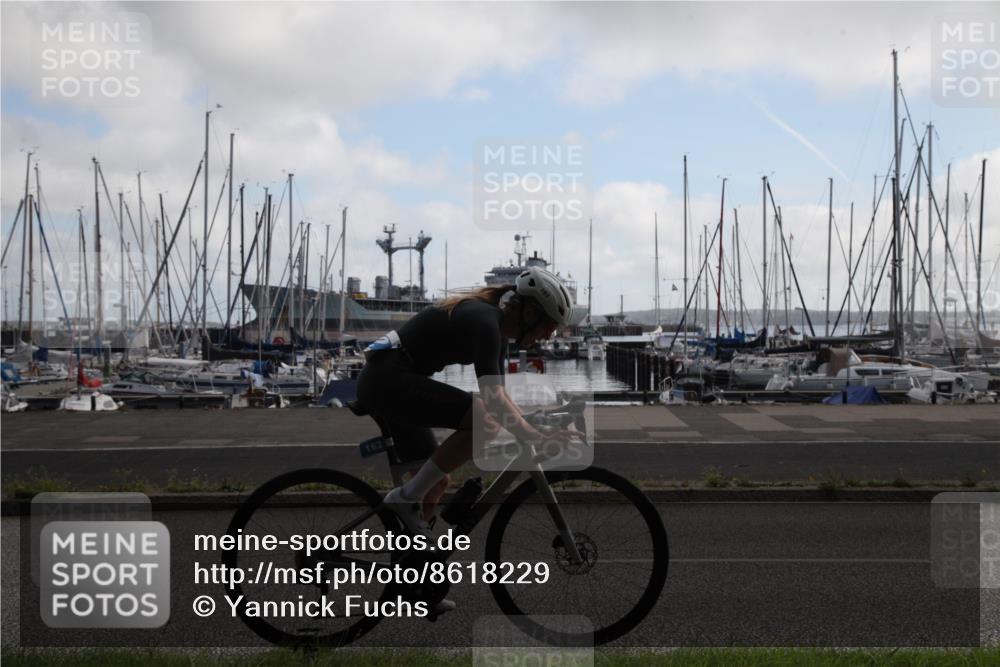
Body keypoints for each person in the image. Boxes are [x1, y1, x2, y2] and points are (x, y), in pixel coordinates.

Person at [356, 266, 577, 535]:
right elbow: (494, 403)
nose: (547, 336)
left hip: (389, 380)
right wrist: (536, 436)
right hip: (386, 381)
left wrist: (532, 424)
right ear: (530, 313)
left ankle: (413, 565)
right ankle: (404, 499)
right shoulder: (485, 322)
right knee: (484, 421)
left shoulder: (495, 330)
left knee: (434, 484)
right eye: (550, 327)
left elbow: (501, 395)